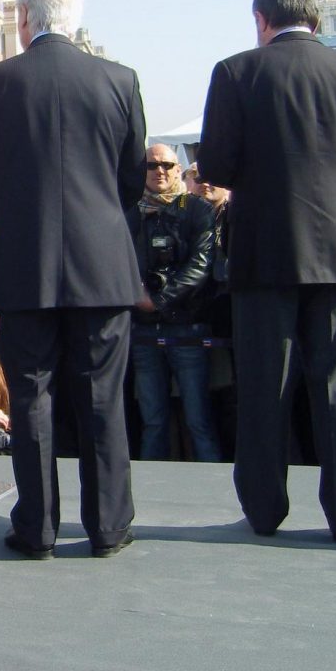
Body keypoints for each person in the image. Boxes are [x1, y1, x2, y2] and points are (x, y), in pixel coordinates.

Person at [0, 0, 145, 560]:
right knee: (101, 397)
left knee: (31, 395)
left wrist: (20, 210)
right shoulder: (119, 80)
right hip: (103, 264)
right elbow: (131, 177)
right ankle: (108, 525)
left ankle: (37, 526)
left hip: (25, 261)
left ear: (23, 19)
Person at [199, 0, 336, 543]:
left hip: (265, 251)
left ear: (261, 19)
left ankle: (264, 508)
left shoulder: (235, 72)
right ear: (316, 16)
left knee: (263, 386)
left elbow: (215, 167)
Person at [127, 143, 221, 462]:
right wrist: (136, 292)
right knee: (153, 423)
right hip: (142, 329)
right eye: (152, 166)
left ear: (178, 169)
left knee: (199, 421)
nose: (160, 172)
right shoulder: (129, 212)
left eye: (167, 165)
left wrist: (158, 300)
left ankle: (217, 492)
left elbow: (201, 264)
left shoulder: (196, 208)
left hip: (187, 326)